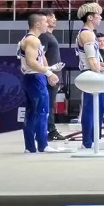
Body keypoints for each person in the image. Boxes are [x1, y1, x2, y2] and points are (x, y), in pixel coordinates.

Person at [17, 12, 59, 153]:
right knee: (42, 112)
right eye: (45, 22)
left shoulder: (32, 39)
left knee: (31, 113)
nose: (48, 24)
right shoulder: (32, 40)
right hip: (35, 78)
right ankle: (43, 145)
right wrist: (48, 73)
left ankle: (30, 147)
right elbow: (31, 62)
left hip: (31, 78)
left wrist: (49, 69)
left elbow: (37, 60)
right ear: (37, 24)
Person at [75, 2, 104, 150]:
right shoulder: (87, 34)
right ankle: (87, 142)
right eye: (99, 15)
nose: (101, 18)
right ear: (90, 17)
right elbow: (91, 59)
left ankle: (93, 140)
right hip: (90, 73)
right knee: (90, 109)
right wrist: (98, 75)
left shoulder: (90, 33)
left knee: (98, 108)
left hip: (91, 72)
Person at [40, 9, 65, 141]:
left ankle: (49, 130)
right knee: (48, 105)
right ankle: (50, 131)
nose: (54, 19)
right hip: (48, 76)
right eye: (51, 16)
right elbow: (41, 55)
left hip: (53, 76)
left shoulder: (50, 36)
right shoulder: (44, 36)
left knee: (50, 104)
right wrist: (48, 73)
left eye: (55, 17)